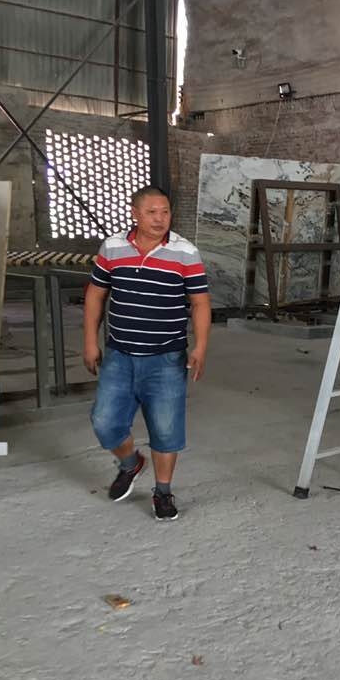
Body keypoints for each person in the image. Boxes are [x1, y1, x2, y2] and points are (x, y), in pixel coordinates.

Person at [83, 186, 211, 520]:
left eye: (165, 212)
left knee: (166, 430)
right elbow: (96, 294)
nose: (160, 219)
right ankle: (130, 463)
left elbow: (200, 303)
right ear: (135, 214)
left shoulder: (185, 252)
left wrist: (200, 346)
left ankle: (163, 493)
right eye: (152, 212)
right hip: (119, 355)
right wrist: (90, 341)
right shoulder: (112, 247)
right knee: (104, 421)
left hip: (166, 358)